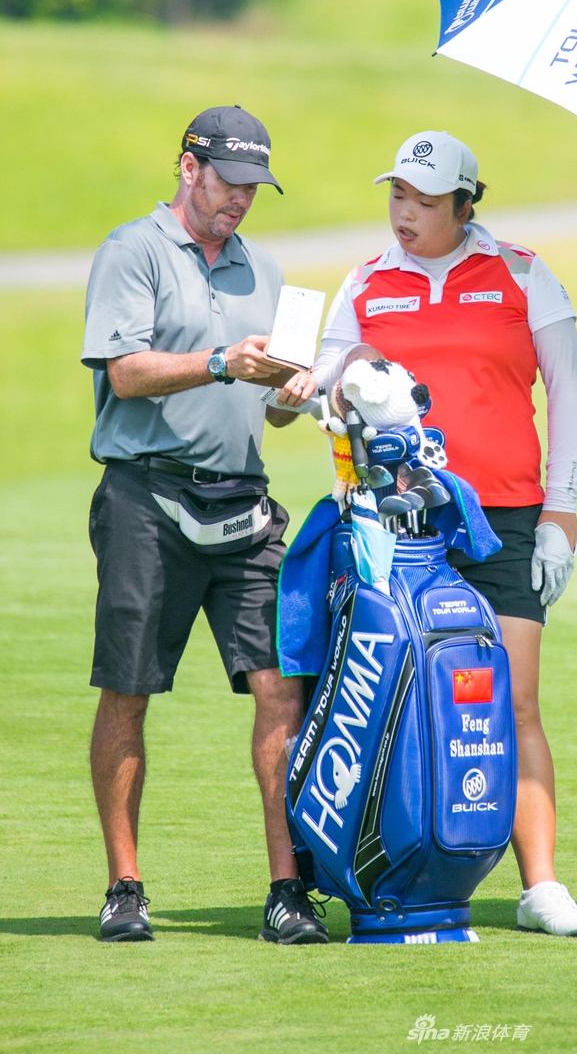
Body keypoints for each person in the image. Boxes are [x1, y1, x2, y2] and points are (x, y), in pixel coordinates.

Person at [280, 130, 577, 937]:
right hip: (400, 525)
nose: (405, 214)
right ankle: (387, 871)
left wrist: (561, 508)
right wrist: (288, 388)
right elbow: (317, 379)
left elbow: (571, 389)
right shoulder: (366, 281)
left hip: (504, 519)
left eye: (424, 201)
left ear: (466, 203)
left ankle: (541, 886)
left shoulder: (521, 273)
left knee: (513, 698)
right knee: (391, 693)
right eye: (397, 195)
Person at [82, 106, 327, 946]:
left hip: (245, 502)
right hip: (146, 500)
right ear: (189, 167)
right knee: (130, 686)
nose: (240, 203)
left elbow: (271, 397)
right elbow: (126, 368)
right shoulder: (134, 250)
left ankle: (287, 891)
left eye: (254, 189)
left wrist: (290, 396)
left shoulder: (267, 270)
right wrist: (223, 360)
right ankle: (125, 885)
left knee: (279, 687)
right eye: (229, 184)